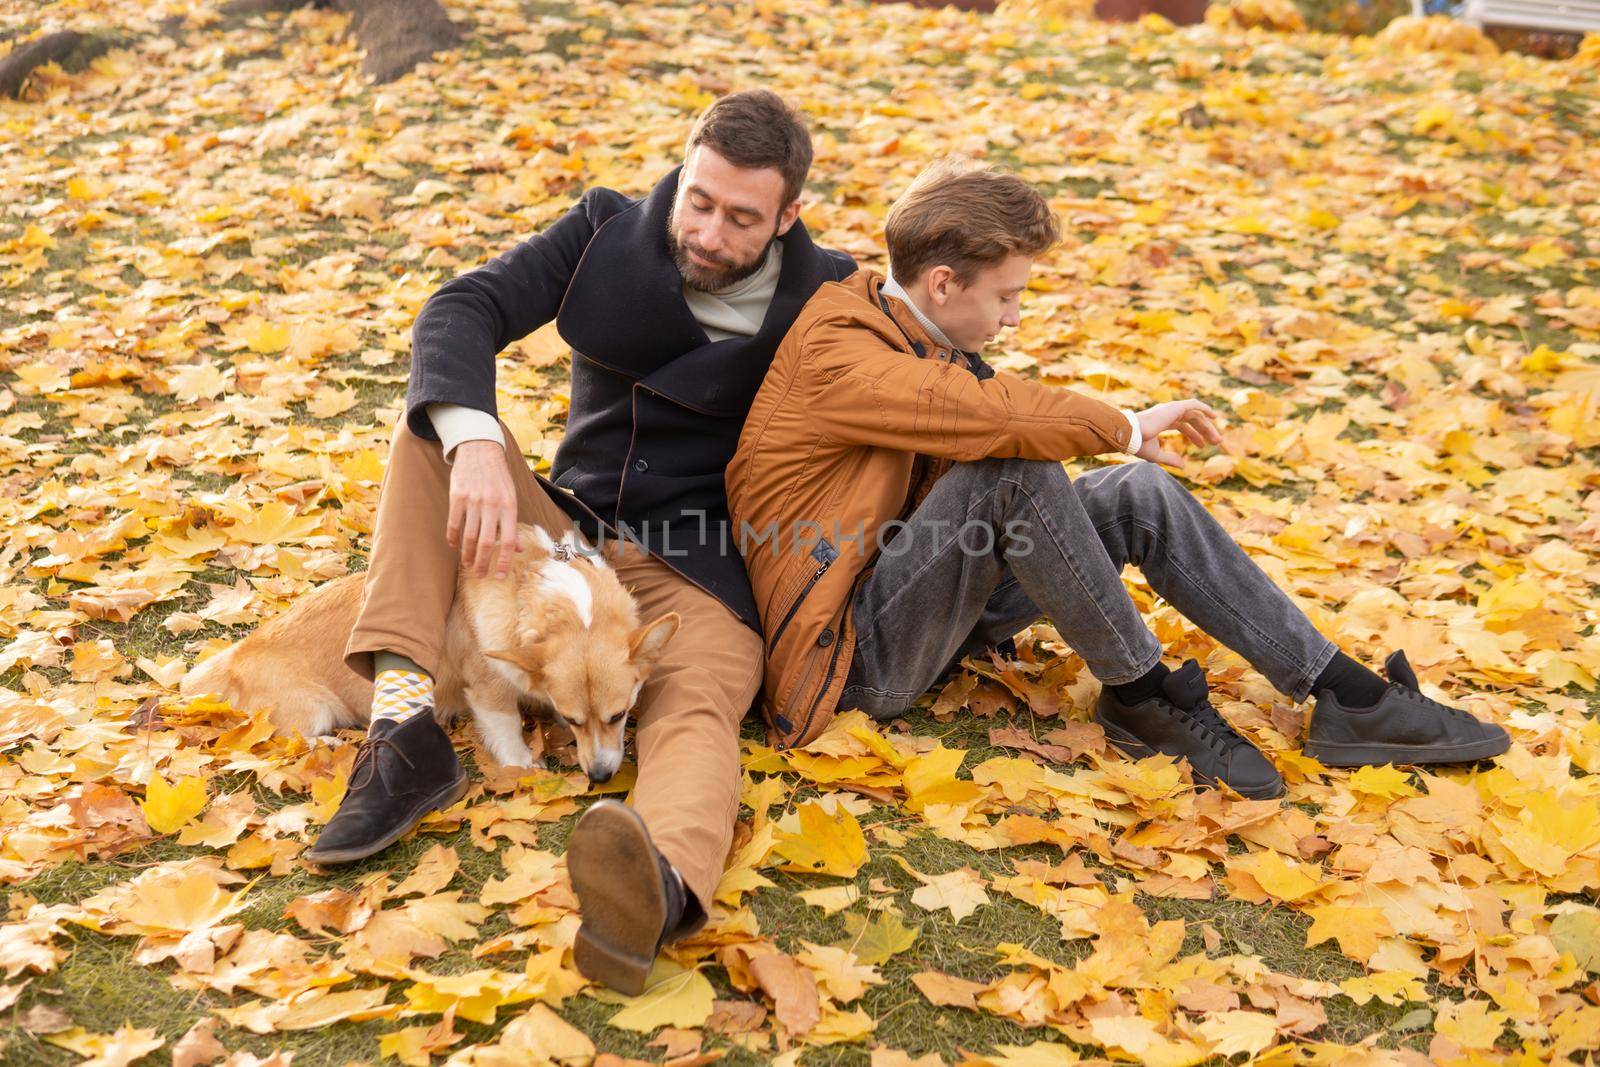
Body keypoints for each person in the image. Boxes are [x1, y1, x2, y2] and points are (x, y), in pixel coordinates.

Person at [725, 157, 1509, 797]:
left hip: (928, 599)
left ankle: (1349, 695)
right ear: (941, 283)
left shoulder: (908, 321)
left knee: (1138, 494)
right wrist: (1126, 426)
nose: (1014, 319)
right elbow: (985, 414)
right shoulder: (839, 348)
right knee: (1010, 466)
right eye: (1007, 297)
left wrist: (1129, 445)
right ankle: (1140, 696)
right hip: (851, 659)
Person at [305, 90, 856, 994]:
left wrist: (1105, 425)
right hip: (573, 531)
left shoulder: (831, 289)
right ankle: (401, 732)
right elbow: (462, 306)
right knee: (427, 434)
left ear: (789, 215)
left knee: (694, 706)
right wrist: (477, 436)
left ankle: (660, 887)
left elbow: (934, 382)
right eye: (699, 200)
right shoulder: (606, 228)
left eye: (742, 218)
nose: (709, 232)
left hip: (703, 566)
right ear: (683, 171)